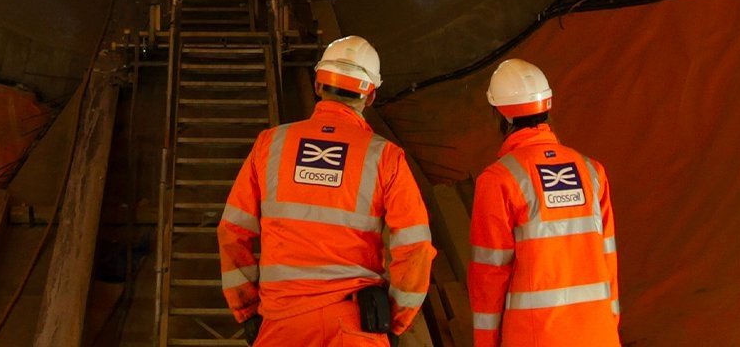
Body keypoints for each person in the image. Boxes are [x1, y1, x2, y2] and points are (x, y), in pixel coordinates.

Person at [219, 36, 436, 345]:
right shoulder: (385, 157)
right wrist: (394, 320)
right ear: (370, 95)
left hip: (282, 322)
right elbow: (415, 248)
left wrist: (246, 310)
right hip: (355, 325)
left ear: (319, 85)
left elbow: (232, 232)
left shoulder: (270, 145)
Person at [468, 59, 619, 346]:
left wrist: (485, 341)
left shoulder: (499, 179)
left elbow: (489, 273)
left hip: (535, 336)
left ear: (500, 113)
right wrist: (609, 328)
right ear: (547, 106)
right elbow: (608, 259)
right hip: (599, 334)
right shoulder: (591, 171)